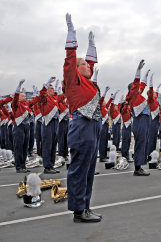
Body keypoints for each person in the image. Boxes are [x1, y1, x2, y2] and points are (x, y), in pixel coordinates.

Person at [63, 14, 103, 222]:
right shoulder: (73, 80)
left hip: (93, 126)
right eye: (85, 65)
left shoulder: (88, 83)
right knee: (79, 169)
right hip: (81, 126)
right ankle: (78, 211)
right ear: (78, 69)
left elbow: (92, 63)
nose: (90, 66)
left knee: (88, 169)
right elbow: (70, 62)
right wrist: (72, 35)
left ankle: (85, 207)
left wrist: (91, 45)